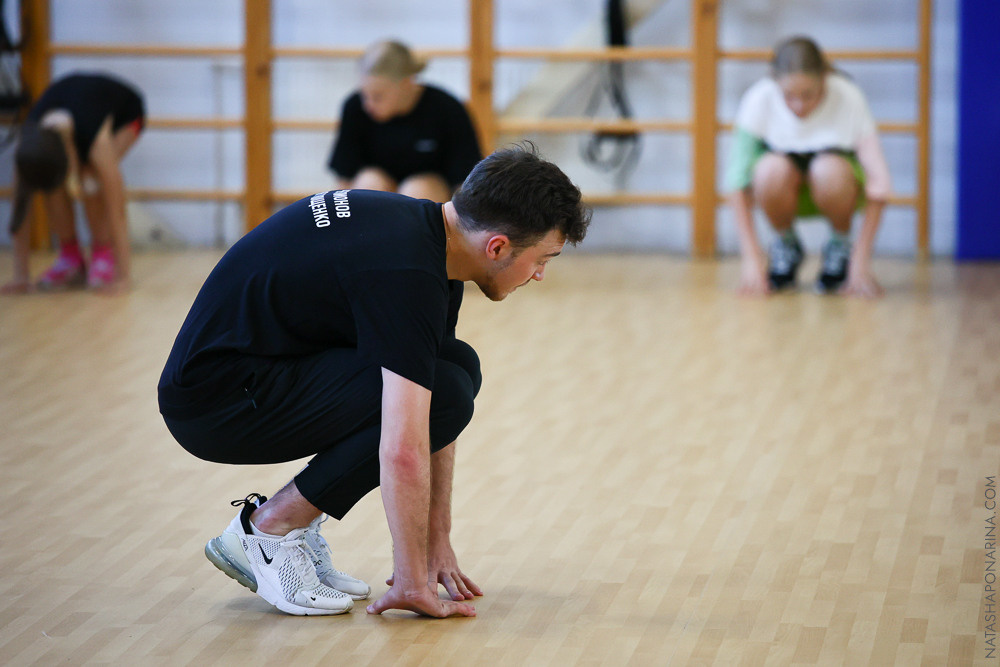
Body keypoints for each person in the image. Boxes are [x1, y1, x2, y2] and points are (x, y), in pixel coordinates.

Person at [158, 144, 591, 618]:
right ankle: (269, 530)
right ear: (498, 247)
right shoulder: (406, 271)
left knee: (456, 367)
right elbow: (405, 447)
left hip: (254, 372)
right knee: (448, 388)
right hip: (215, 403)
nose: (542, 275)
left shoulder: (429, 237)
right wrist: (410, 582)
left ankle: (286, 527)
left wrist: (435, 544)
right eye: (543, 259)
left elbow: (430, 408)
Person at [725, 37, 892, 297]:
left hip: (837, 189)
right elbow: (736, 182)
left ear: (825, 79)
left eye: (809, 95)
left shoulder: (848, 97)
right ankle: (786, 244)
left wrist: (861, 262)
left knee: (828, 169)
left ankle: (840, 245)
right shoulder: (759, 99)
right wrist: (751, 258)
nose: (799, 106)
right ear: (774, 82)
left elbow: (879, 183)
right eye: (789, 96)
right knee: (770, 169)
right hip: (783, 192)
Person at [3, 72, 145, 294]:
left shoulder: (97, 144)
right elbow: (19, 209)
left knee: (91, 183)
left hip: (127, 114)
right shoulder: (28, 146)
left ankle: (102, 253)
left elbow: (117, 209)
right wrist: (21, 275)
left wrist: (123, 277)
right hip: (69, 117)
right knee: (53, 186)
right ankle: (71, 257)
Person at [327, 40, 482, 203]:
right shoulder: (355, 107)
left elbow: (464, 182)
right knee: (369, 183)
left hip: (430, 195)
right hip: (377, 190)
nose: (368, 105)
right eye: (364, 95)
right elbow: (344, 178)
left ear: (407, 83)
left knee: (418, 190)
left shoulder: (447, 109)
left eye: (377, 96)